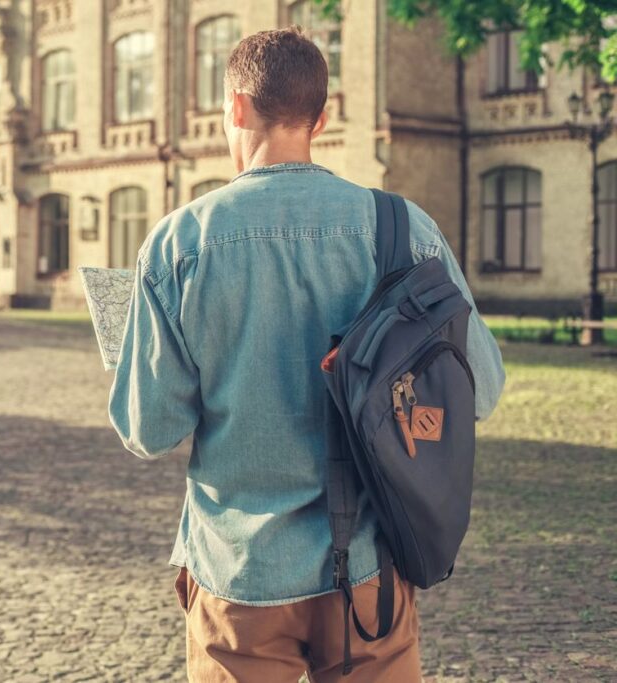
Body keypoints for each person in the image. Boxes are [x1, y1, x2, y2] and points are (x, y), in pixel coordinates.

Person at [107, 26, 505, 683]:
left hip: (238, 575)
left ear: (234, 108)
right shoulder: (402, 229)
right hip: (370, 572)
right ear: (323, 117)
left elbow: (151, 430)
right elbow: (481, 388)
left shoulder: (178, 244)